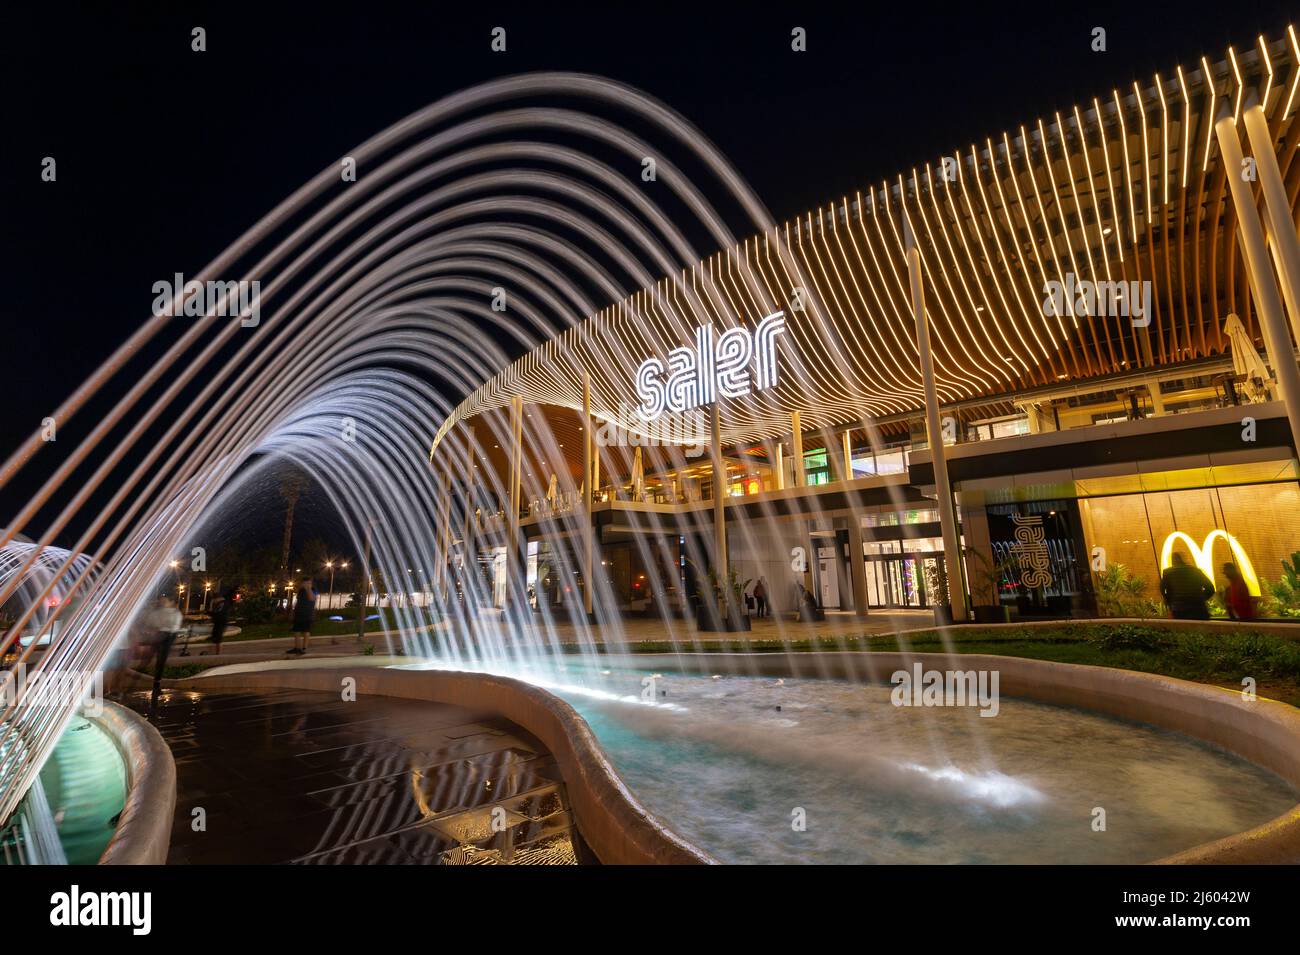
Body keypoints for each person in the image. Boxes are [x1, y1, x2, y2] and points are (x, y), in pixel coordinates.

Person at [140, 596, 183, 715]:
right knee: (155, 656)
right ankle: (149, 675)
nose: (162, 602)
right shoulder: (157, 612)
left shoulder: (175, 613)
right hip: (160, 635)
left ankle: (156, 681)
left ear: (171, 601)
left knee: (161, 658)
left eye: (165, 599)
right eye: (161, 600)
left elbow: (175, 626)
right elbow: (150, 623)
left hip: (167, 636)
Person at [1159, 553, 1215, 620]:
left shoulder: (1167, 573)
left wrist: (1170, 601)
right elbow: (1210, 588)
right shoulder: (1195, 571)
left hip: (1179, 610)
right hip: (1199, 609)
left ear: (1172, 561)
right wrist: (1200, 598)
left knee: (1183, 629)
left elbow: (1162, 589)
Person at [289, 577, 317, 655]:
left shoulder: (313, 590)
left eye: (307, 583)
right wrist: (293, 611)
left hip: (307, 614)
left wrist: (308, 588)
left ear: (310, 583)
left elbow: (312, 599)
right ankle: (297, 648)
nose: (304, 584)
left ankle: (304, 648)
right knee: (296, 631)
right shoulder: (301, 591)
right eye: (303, 583)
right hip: (299, 613)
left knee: (306, 631)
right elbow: (298, 601)